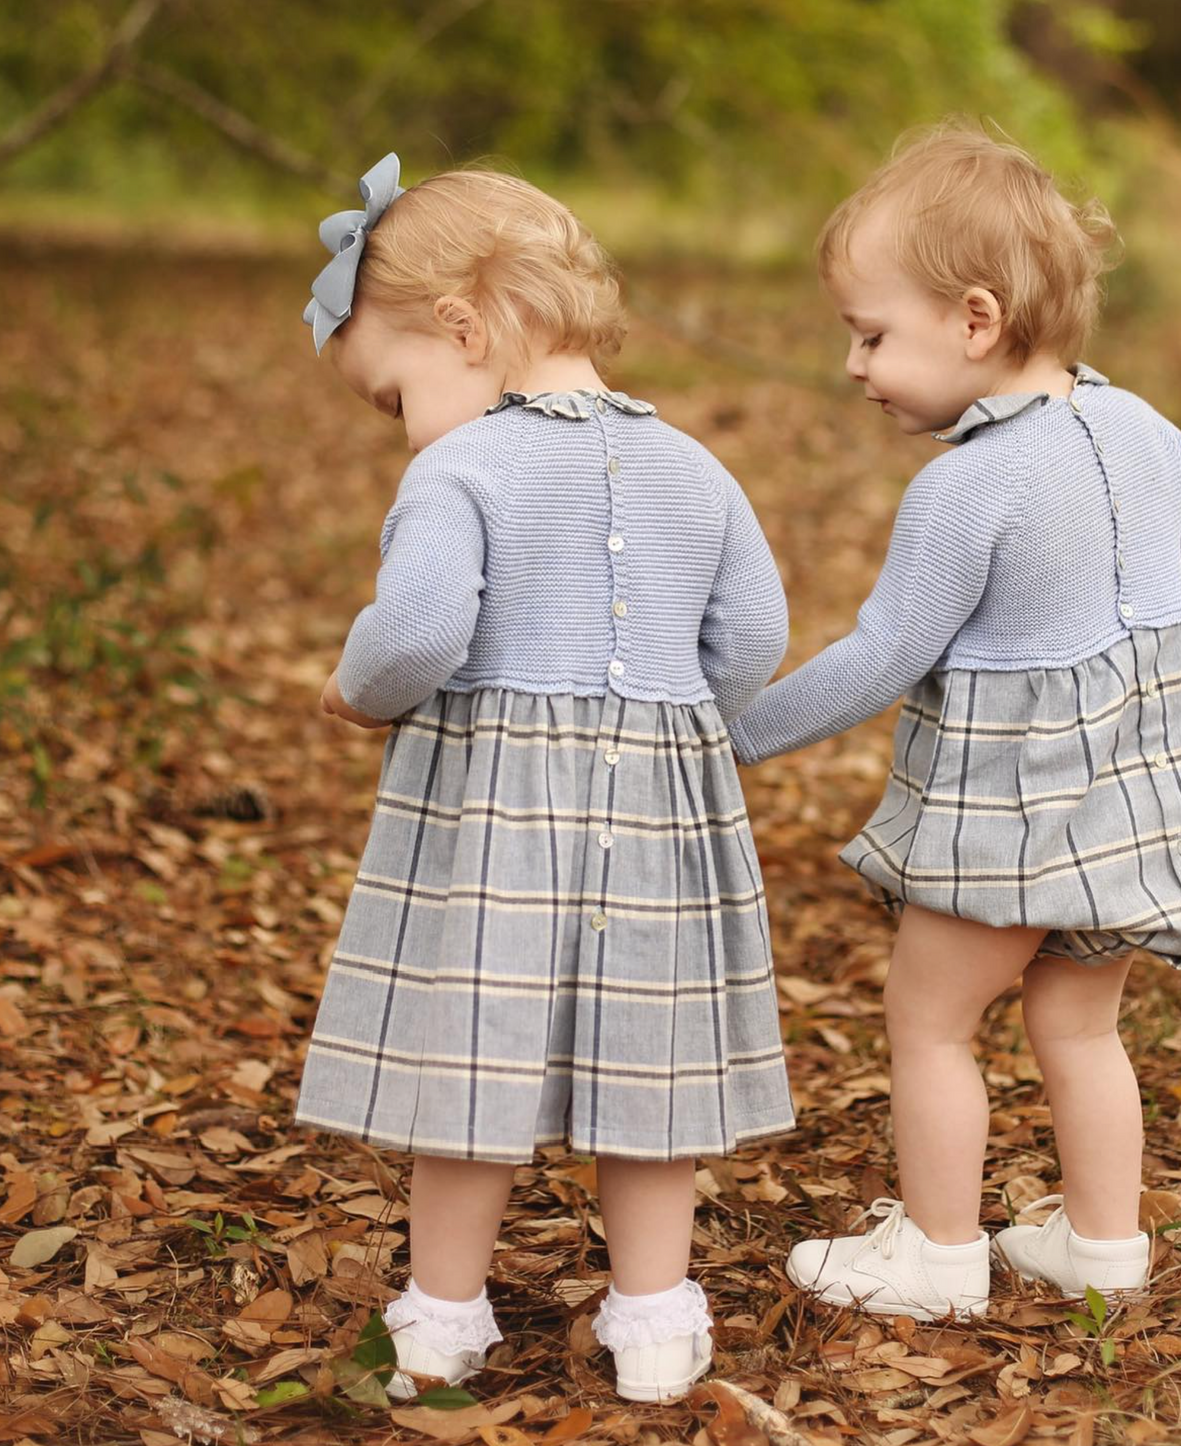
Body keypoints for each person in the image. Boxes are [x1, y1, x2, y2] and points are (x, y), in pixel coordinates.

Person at [291, 155, 795, 1400]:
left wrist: (358, 691)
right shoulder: (694, 467)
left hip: (495, 812)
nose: (398, 423)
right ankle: (656, 1321)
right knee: (648, 1069)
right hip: (661, 806)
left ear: (461, 327)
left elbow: (416, 633)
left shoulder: (459, 472)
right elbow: (756, 638)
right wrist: (681, 722)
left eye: (392, 393)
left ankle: (443, 1322)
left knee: (471, 1057)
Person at [729, 125, 1181, 1320]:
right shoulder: (1142, 430)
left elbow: (880, 656)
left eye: (869, 334)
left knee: (930, 1020)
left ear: (973, 320)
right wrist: (1176, 708)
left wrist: (736, 732)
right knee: (1078, 1025)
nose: (853, 363)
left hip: (1003, 819)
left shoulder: (965, 488)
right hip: (1132, 806)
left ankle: (940, 1253)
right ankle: (1103, 1250)